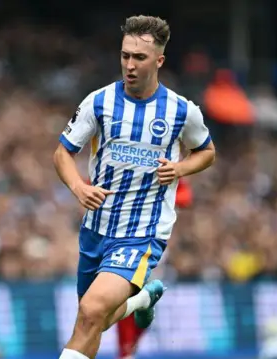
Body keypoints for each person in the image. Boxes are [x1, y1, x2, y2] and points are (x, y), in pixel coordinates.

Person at [53, 15, 216, 359]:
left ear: (159, 61)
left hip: (141, 234)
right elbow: (62, 154)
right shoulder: (98, 102)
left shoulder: (181, 111)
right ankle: (141, 300)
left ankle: (138, 298)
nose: (129, 64)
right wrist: (77, 188)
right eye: (125, 55)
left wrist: (180, 167)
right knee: (89, 321)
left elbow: (207, 152)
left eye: (139, 58)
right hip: (96, 230)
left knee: (92, 312)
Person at [116, 178, 193, 359]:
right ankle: (125, 352)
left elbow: (185, 196)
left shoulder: (165, 164)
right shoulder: (125, 164)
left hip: (156, 241)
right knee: (125, 293)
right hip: (126, 238)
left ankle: (130, 348)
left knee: (147, 300)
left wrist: (158, 200)